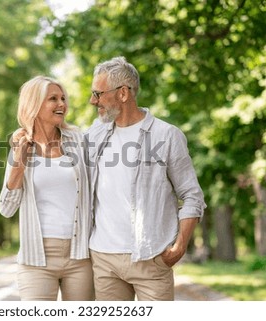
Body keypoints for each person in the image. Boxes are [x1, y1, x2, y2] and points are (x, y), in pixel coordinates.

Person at [86, 56, 206, 301]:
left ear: (122, 93)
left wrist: (179, 246)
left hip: (151, 257)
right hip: (104, 258)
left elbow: (192, 196)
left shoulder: (167, 135)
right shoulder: (95, 133)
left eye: (98, 93)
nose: (92, 101)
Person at [0, 75, 94, 301]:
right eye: (53, 98)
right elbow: (6, 208)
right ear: (34, 105)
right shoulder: (21, 147)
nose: (61, 104)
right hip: (36, 258)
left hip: (80, 254)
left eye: (63, 98)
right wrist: (18, 164)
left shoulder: (78, 140)